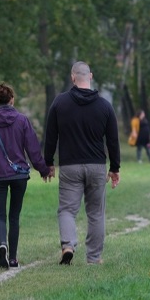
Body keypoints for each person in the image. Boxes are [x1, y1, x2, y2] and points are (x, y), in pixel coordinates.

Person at [43, 61, 120, 266]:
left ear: (72, 77)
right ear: (91, 76)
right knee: (95, 213)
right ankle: (94, 258)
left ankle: (68, 245)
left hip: (70, 166)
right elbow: (113, 140)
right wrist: (114, 168)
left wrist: (48, 163)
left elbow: (50, 136)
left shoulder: (60, 103)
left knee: (67, 210)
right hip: (96, 166)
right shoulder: (104, 106)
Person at [0, 82, 51, 269]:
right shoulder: (22, 120)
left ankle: (3, 244)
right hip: (19, 175)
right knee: (14, 217)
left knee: (0, 215)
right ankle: (13, 258)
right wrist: (43, 169)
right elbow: (33, 149)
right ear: (12, 99)